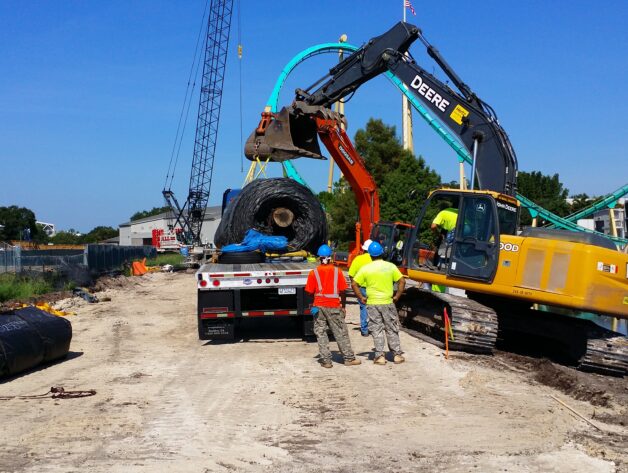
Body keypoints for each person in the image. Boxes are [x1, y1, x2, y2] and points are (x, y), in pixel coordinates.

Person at [305, 244, 361, 369]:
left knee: (321, 333)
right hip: (334, 306)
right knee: (341, 332)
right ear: (330, 257)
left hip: (319, 307)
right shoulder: (337, 271)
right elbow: (343, 291)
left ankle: (326, 361)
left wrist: (313, 304)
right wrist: (343, 306)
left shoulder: (314, 273)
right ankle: (348, 358)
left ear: (319, 258)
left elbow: (308, 291)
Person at [351, 241, 406, 365]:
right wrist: (397, 296)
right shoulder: (390, 266)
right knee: (391, 328)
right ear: (382, 253)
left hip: (372, 303)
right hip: (388, 302)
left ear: (370, 255)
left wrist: (361, 297)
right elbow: (402, 281)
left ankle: (380, 357)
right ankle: (397, 355)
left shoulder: (366, 268)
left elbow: (354, 284)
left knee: (377, 329)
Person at [348, 239, 373, 337]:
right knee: (375, 308)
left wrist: (355, 288)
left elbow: (351, 275)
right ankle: (375, 328)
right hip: (374, 288)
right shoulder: (377, 260)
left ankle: (364, 330)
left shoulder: (358, 259)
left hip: (361, 288)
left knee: (363, 308)